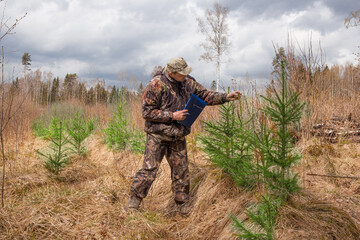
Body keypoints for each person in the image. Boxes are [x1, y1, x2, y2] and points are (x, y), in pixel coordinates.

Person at [125, 57, 241, 214]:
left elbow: (205, 95)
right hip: (157, 135)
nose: (185, 76)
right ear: (172, 73)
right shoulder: (156, 84)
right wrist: (172, 115)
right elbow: (146, 112)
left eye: (187, 73)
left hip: (178, 136)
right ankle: (133, 203)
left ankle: (182, 206)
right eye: (182, 74)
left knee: (181, 172)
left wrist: (226, 97)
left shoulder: (188, 82)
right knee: (149, 170)